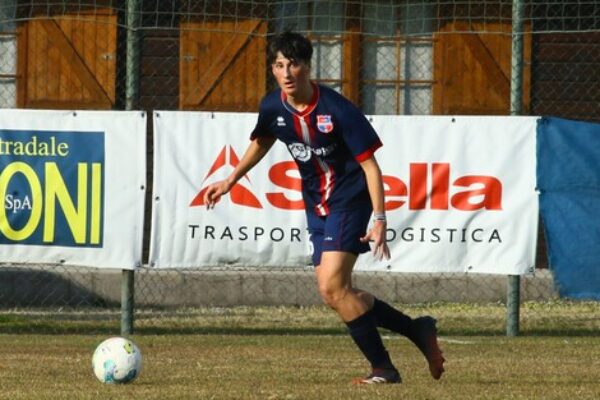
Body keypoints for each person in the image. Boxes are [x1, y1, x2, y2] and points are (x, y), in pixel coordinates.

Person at [203, 31, 445, 384]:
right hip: (315, 205)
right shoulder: (273, 106)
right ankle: (416, 330)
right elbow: (262, 140)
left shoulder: (338, 109)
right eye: (279, 65)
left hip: (350, 201)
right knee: (336, 293)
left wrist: (379, 219)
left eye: (294, 64)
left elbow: (370, 167)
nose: (287, 73)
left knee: (332, 287)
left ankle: (384, 369)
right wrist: (230, 180)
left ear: (307, 66)